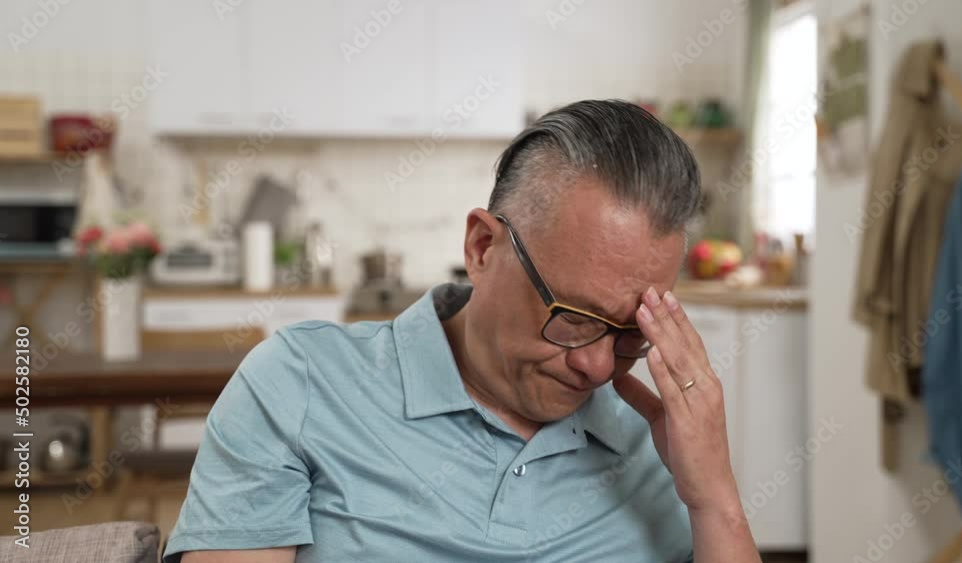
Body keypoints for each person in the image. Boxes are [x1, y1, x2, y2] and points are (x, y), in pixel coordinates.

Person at [164, 100, 760, 563]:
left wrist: (715, 499)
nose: (600, 368)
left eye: (633, 333)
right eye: (574, 317)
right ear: (482, 247)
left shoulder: (659, 435)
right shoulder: (298, 384)